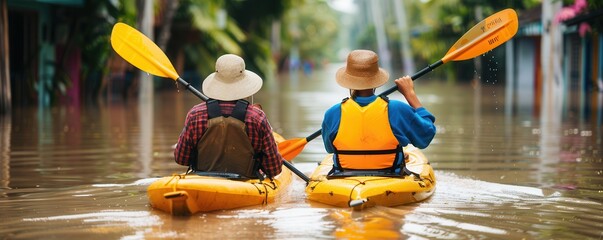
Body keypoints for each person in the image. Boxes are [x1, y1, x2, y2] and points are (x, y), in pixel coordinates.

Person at [321, 49, 436, 174]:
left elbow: (329, 148)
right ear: (376, 80)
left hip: (344, 178)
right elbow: (426, 136)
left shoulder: (332, 113)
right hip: (391, 178)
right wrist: (410, 94)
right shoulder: (397, 109)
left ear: (348, 81)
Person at [174, 54, 283, 179]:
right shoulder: (257, 117)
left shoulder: (195, 114)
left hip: (203, 182)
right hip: (244, 185)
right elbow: (274, 168)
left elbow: (181, 158)